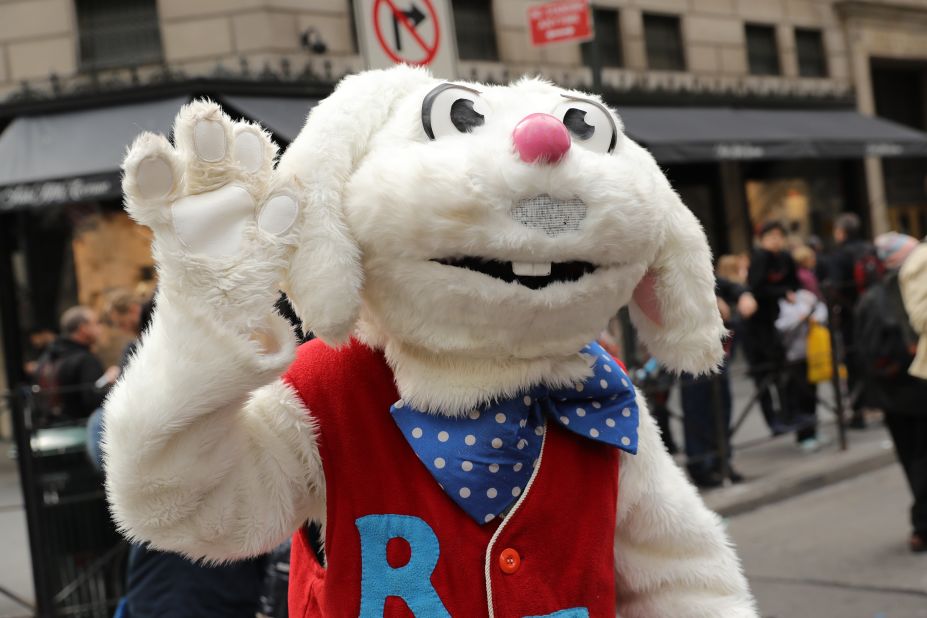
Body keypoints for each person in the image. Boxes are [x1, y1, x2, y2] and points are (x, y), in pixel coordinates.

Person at [856, 233, 925, 553]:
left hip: (892, 390)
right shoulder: (908, 288)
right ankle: (922, 525)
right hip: (913, 384)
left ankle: (922, 523)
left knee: (911, 456)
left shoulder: (873, 296)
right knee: (920, 458)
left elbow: (862, 352)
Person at [680, 256, 756, 487]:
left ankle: (722, 461)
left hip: (716, 356)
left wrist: (744, 294)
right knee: (698, 412)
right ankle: (703, 465)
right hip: (692, 356)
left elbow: (732, 286)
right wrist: (710, 303)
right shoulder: (678, 279)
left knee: (721, 409)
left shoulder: (707, 277)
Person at [824, 213, 880, 428]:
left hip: (852, 317)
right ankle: (879, 404)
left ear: (841, 232)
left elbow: (834, 288)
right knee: (874, 356)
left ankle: (858, 413)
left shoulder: (839, 255)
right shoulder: (870, 249)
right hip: (876, 313)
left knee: (854, 363)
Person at [745, 221, 799, 435]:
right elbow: (756, 287)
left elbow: (794, 282)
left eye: (779, 236)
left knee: (781, 369)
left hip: (777, 321)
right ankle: (773, 420)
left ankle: (788, 412)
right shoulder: (759, 258)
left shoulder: (785, 258)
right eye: (771, 236)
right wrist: (782, 292)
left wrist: (785, 291)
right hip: (757, 325)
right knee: (763, 374)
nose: (776, 240)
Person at [35, 306, 117, 422]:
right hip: (80, 427)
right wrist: (109, 381)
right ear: (83, 328)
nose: (101, 328)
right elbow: (95, 401)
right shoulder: (86, 360)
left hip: (47, 428)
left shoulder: (44, 358)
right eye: (96, 323)